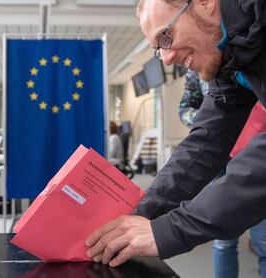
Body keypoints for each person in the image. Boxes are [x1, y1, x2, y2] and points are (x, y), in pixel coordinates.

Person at [85, 0, 266, 273]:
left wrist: (169, 230)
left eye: (166, 36)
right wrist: (139, 217)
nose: (167, 58)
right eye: (159, 49)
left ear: (205, 3)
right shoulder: (229, 53)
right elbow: (204, 142)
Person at [180, 69, 266, 278]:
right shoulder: (197, 71)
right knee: (223, 240)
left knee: (263, 239)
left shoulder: (251, 66)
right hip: (220, 159)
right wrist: (211, 122)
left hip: (257, 154)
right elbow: (185, 108)